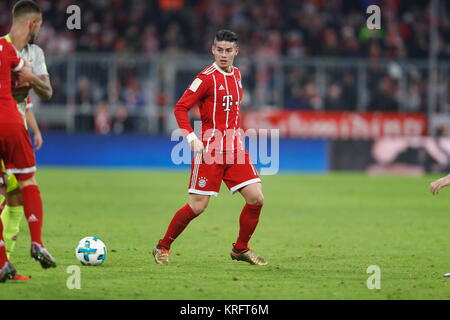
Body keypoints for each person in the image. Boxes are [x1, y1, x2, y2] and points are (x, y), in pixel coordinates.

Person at [152, 30, 267, 266]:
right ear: (212, 50)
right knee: (198, 206)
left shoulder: (237, 74)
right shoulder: (205, 78)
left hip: (235, 149)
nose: (223, 55)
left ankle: (240, 249)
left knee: (256, 198)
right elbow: (180, 108)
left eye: (228, 50)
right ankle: (162, 247)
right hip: (210, 150)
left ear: (236, 52)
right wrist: (192, 138)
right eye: (219, 50)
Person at [0, 0, 56, 283]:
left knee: (15, 198)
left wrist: (31, 77)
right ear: (32, 24)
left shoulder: (35, 53)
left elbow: (46, 91)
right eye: (40, 26)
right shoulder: (4, 47)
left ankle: (5, 263)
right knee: (12, 191)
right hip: (8, 124)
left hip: (17, 126)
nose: (40, 32)